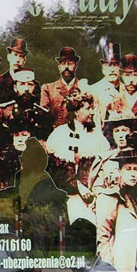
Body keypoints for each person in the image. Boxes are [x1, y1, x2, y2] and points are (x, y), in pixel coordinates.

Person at [46, 90, 110, 224]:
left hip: (95, 192)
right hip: (69, 193)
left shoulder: (96, 137)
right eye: (88, 108)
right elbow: (57, 171)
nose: (92, 112)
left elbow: (103, 166)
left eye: (92, 108)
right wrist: (78, 186)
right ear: (76, 112)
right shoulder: (60, 135)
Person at [95, 149, 137, 272]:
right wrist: (107, 267)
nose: (133, 174)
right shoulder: (111, 197)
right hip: (123, 259)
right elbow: (103, 237)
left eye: (136, 169)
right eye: (128, 169)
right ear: (120, 171)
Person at [40, 46, 81, 127]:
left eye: (70, 63)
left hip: (79, 132)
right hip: (55, 132)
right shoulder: (48, 89)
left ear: (75, 66)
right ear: (59, 67)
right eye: (63, 63)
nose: (66, 67)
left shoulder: (84, 88)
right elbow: (43, 115)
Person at [88, 41, 123, 120]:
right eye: (109, 65)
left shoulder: (126, 90)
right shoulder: (93, 90)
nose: (112, 70)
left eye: (115, 65)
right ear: (103, 69)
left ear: (120, 68)